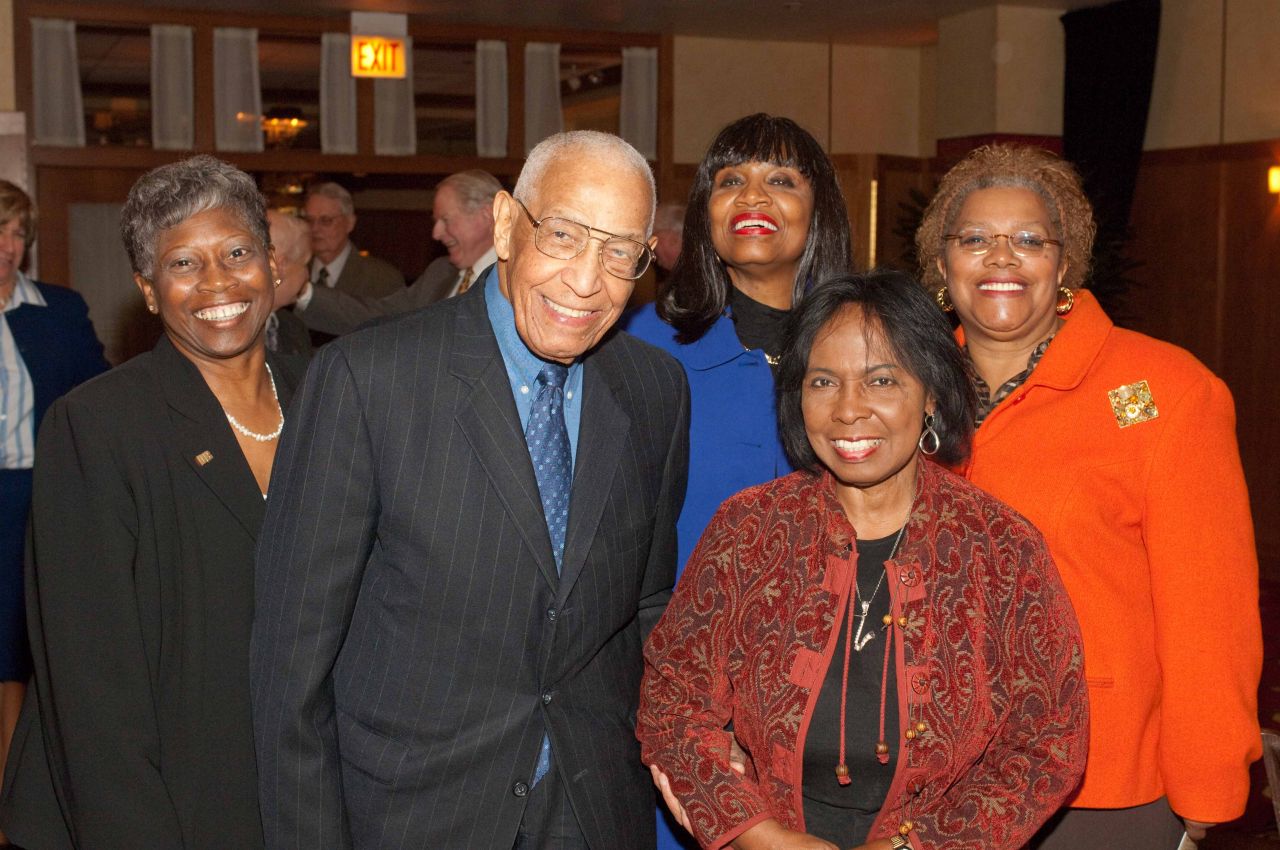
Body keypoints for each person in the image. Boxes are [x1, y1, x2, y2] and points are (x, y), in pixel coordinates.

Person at [251, 131, 689, 850]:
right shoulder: (369, 382)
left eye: (620, 252)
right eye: (565, 236)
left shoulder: (653, 390)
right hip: (415, 815)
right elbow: (290, 665)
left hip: (592, 811)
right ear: (510, 226)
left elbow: (644, 605)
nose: (587, 281)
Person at [637, 270, 1088, 850]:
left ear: (930, 393)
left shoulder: (999, 548)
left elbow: (1047, 740)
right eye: (823, 381)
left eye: (881, 381)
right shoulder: (750, 530)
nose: (849, 410)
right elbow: (674, 698)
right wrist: (759, 836)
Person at [915, 144, 1261, 849]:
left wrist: (1209, 789)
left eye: (1029, 240)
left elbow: (1210, 615)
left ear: (1064, 262)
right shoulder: (900, 389)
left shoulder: (1166, 393)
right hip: (930, 773)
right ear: (942, 265)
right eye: (975, 239)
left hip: (1097, 786)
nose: (1001, 258)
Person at [0, 155, 303, 849]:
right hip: (160, 798)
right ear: (147, 289)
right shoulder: (99, 425)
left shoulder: (331, 398)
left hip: (295, 790)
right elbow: (91, 688)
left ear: (274, 267)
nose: (218, 282)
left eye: (236, 252)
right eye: (183, 264)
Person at [625, 113, 851, 849]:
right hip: (688, 710)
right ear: (704, 214)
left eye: (781, 179)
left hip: (845, 708)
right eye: (731, 180)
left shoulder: (869, 346)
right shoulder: (641, 350)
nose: (753, 195)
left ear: (818, 209)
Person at [0, 180, 107, 824]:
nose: (7, 247)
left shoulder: (59, 309)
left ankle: (19, 799)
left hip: (37, 500)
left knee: (25, 648)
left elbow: (94, 404)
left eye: (16, 233)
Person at [294, 170, 501, 336]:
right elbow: (378, 316)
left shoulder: (515, 278)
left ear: (485, 215)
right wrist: (304, 292)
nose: (436, 233)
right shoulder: (440, 272)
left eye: (445, 220)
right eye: (435, 221)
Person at [265, 209, 312, 357]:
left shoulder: (294, 327)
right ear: (280, 266)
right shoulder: (230, 333)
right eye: (305, 264)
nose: (308, 274)